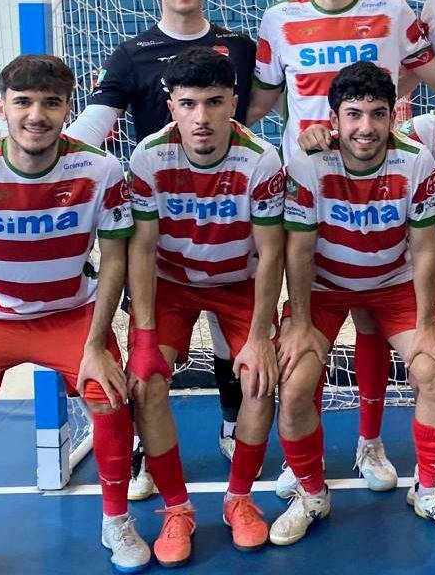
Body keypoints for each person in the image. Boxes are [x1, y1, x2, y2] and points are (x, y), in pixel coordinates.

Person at [0, 55, 146, 575]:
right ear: (3, 107)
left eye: (51, 103)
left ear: (68, 109)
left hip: (70, 313)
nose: (36, 115)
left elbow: (115, 259)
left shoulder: (101, 170)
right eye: (23, 102)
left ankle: (116, 521)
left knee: (109, 398)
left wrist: (96, 344)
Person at [249, 0, 435, 494]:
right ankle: (304, 463)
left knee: (374, 321)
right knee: (308, 331)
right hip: (311, 189)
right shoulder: (278, 19)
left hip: (379, 179)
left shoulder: (393, 12)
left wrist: (379, 117)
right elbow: (259, 102)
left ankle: (370, 442)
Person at [67, 0, 257, 494]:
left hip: (226, 210)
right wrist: (48, 155)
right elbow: (95, 122)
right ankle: (145, 449)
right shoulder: (132, 54)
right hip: (157, 216)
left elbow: (267, 106)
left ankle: (232, 425)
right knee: (147, 341)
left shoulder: (239, 47)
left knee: (229, 334)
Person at [276, 61, 435, 540]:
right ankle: (311, 492)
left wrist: (426, 324)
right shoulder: (308, 163)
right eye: (353, 114)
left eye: (377, 114)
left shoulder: (415, 161)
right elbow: (298, 251)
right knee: (295, 383)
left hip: (393, 284)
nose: (365, 127)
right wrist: (299, 322)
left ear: (392, 115)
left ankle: (429, 491)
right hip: (325, 288)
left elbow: (425, 247)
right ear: (333, 118)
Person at [124, 48, 285, 564]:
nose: (201, 118)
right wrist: (144, 337)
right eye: (188, 104)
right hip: (171, 283)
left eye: (214, 102)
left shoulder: (261, 158)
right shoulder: (148, 157)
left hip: (238, 282)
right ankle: (177, 509)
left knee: (259, 378)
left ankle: (239, 499)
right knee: (146, 382)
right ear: (170, 105)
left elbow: (271, 253)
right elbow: (141, 250)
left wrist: (259, 339)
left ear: (233, 103)